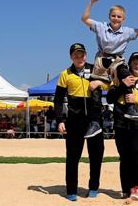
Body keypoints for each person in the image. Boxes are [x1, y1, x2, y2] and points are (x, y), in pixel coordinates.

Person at [81, 0, 138, 138]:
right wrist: (91, 2)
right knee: (93, 87)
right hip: (102, 59)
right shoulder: (101, 27)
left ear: (123, 19)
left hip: (117, 61)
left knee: (127, 76)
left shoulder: (127, 32)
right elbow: (85, 19)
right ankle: (95, 122)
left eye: (119, 17)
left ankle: (131, 108)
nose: (116, 19)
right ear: (109, 16)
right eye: (113, 16)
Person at [54, 43, 105, 202]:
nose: (79, 57)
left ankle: (94, 187)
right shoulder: (65, 74)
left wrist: (99, 83)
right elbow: (57, 100)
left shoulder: (96, 70)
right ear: (71, 57)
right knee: (73, 157)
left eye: (81, 54)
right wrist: (60, 120)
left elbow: (112, 82)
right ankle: (71, 190)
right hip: (74, 121)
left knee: (96, 156)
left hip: (94, 120)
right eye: (76, 55)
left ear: (86, 55)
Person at [106, 52, 138, 201]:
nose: (137, 64)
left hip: (137, 123)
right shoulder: (118, 78)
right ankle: (125, 188)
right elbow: (109, 98)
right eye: (134, 62)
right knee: (124, 156)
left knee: (135, 153)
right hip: (121, 122)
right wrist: (123, 86)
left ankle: (136, 186)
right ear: (129, 64)